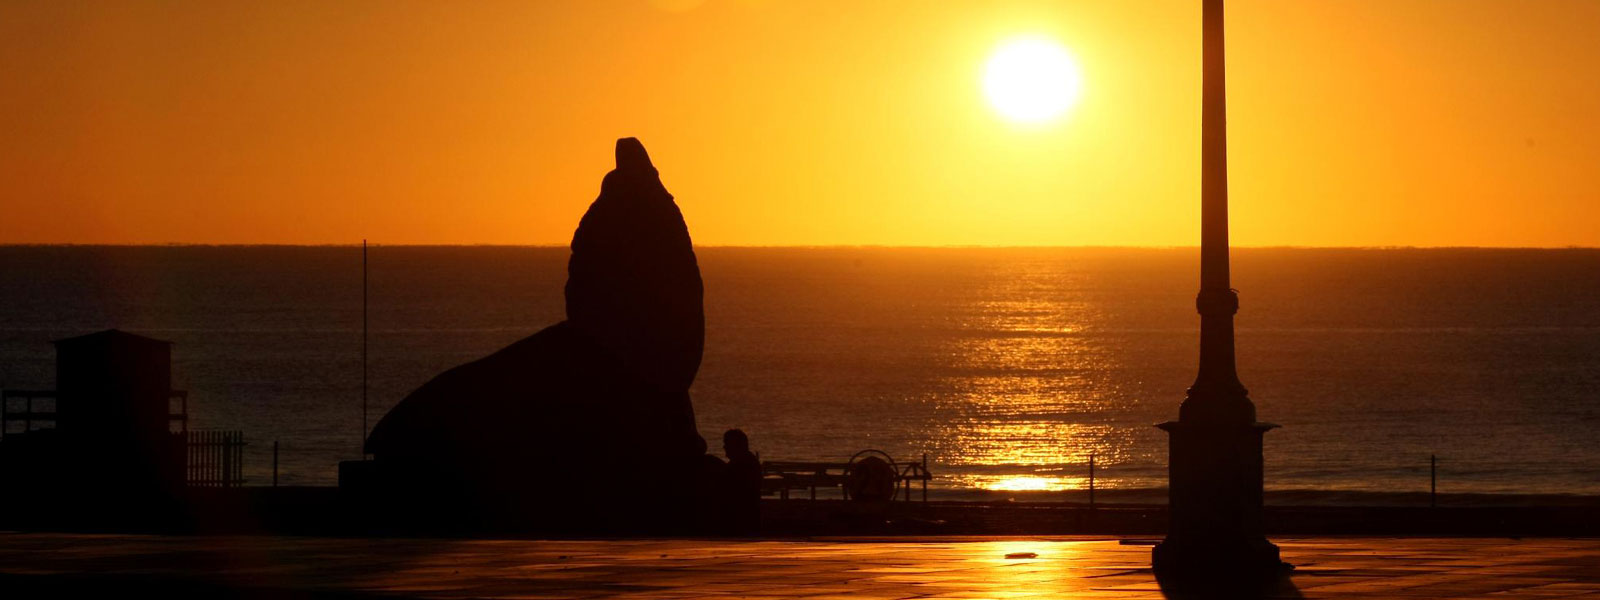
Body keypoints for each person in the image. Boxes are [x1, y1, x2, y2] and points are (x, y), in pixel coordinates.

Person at [722, 429, 761, 533]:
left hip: (740, 514)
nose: (724, 447)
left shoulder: (740, 464)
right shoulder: (746, 461)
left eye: (727, 443)